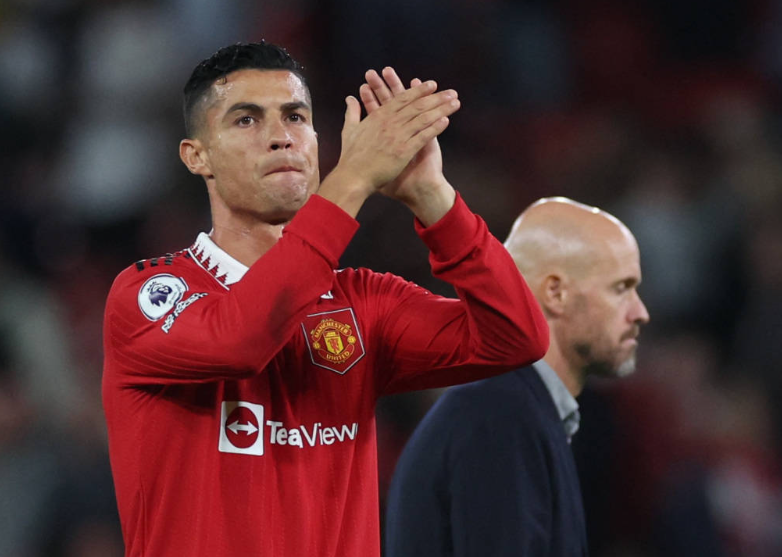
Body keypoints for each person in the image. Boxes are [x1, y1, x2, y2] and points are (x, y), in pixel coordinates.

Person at [101, 42, 549, 557]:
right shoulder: (149, 294)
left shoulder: (363, 302)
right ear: (196, 155)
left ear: (318, 141)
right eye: (246, 120)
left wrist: (432, 195)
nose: (281, 137)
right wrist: (353, 178)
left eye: (296, 117)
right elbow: (242, 339)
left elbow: (516, 337)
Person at [385, 197, 650, 557]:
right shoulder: (499, 417)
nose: (640, 312)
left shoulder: (517, 408)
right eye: (621, 288)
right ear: (556, 293)